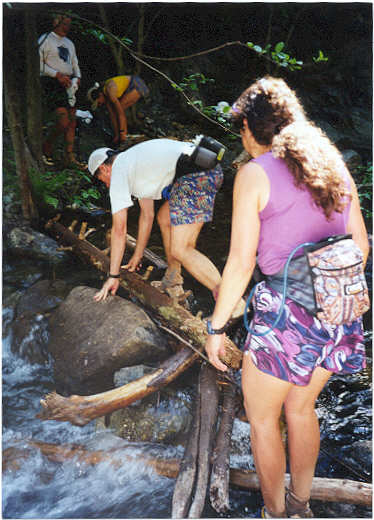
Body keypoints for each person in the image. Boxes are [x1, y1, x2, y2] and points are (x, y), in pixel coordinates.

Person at [204, 77, 369, 518]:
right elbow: (362, 245)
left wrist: (216, 328)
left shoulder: (254, 173)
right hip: (340, 314)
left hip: (286, 319)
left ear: (249, 129)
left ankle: (275, 514)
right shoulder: (332, 163)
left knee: (262, 419)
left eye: (240, 130)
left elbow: (240, 264)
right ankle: (302, 505)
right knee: (301, 408)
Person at [88, 138, 245, 314]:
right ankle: (173, 279)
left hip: (197, 178)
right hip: (203, 172)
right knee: (165, 218)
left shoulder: (119, 171)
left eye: (102, 180)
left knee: (182, 249)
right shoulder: (132, 163)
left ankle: (234, 303)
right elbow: (147, 216)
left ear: (104, 168)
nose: (107, 185)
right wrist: (138, 254)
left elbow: (119, 230)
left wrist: (113, 276)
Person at [39, 13, 86, 168]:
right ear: (56, 22)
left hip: (69, 83)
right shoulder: (45, 39)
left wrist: (77, 77)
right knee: (63, 121)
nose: (67, 27)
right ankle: (47, 145)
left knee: (72, 121)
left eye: (68, 24)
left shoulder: (69, 43)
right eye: (64, 23)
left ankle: (69, 157)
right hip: (52, 83)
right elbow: (38, 64)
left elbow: (75, 63)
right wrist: (57, 75)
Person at [87, 75, 149, 146]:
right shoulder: (106, 98)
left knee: (120, 108)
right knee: (113, 111)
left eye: (99, 102)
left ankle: (124, 136)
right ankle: (121, 136)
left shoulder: (109, 91)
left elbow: (120, 113)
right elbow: (112, 116)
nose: (100, 105)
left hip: (136, 84)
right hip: (129, 88)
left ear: (100, 95)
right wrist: (117, 135)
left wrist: (122, 134)